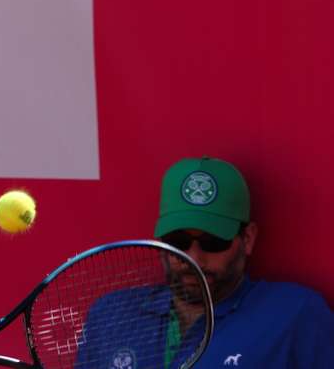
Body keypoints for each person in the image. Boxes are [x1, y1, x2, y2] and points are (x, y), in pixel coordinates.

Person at [76, 156, 333, 369]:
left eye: (213, 242)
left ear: (248, 239)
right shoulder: (110, 314)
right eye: (178, 241)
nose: (193, 258)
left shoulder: (295, 315)